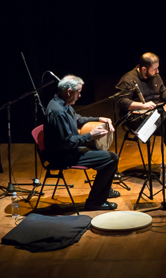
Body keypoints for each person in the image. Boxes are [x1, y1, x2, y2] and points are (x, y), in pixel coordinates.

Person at [43, 75, 119, 210]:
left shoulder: (63, 104)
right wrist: (90, 135)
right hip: (62, 156)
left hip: (70, 149)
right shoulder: (57, 111)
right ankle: (95, 202)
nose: (79, 95)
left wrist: (99, 118)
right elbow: (67, 143)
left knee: (105, 154)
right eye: (78, 92)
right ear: (68, 91)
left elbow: (77, 119)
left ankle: (104, 191)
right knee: (111, 159)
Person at [115, 53, 166, 170]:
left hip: (156, 112)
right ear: (143, 69)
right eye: (154, 69)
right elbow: (121, 101)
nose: (157, 71)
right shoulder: (128, 80)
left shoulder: (154, 75)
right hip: (137, 118)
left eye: (157, 68)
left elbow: (163, 90)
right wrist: (143, 105)